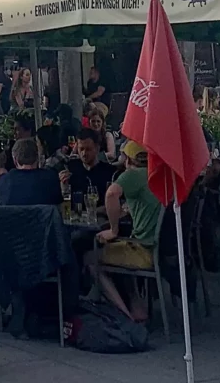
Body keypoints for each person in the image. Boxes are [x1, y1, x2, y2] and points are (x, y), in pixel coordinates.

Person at [95, 141, 162, 321]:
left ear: (129, 159)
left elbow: (111, 194)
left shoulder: (133, 174)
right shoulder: (160, 173)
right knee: (121, 249)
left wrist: (113, 230)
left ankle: (125, 316)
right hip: (163, 248)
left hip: (144, 250)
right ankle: (137, 306)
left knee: (90, 259)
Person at [0, 138, 63, 206]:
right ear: (37, 157)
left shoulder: (3, 181)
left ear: (15, 160)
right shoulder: (52, 178)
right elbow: (59, 206)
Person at [63, 128, 117, 203]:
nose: (84, 153)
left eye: (88, 149)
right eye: (81, 149)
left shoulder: (110, 172)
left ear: (97, 149)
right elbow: (65, 203)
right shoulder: (71, 169)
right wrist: (64, 187)